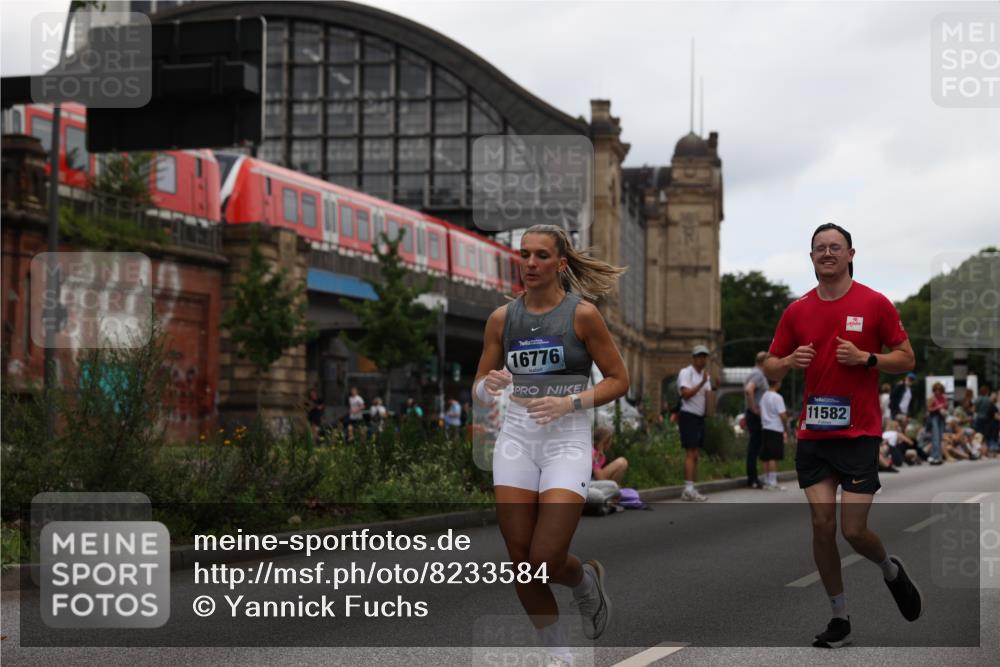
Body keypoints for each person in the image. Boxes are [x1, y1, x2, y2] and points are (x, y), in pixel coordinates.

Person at [473, 223, 628, 666]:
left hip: (566, 440)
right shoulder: (502, 319)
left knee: (545, 557)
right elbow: (479, 390)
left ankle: (585, 584)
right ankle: (558, 655)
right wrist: (493, 384)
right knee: (523, 564)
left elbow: (620, 379)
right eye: (524, 255)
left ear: (560, 263)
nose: (530, 264)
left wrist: (570, 402)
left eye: (541, 255)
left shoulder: (582, 315)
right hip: (518, 439)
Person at [763, 222, 922, 649]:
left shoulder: (875, 304)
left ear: (851, 254)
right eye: (820, 248)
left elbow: (906, 359)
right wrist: (788, 361)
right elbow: (769, 365)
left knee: (853, 530)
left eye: (836, 247)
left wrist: (867, 358)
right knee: (821, 524)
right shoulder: (797, 311)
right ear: (811, 257)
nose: (827, 253)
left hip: (859, 433)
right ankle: (839, 617)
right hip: (815, 433)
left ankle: (890, 568)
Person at [677, 345, 716, 501]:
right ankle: (687, 488)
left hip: (699, 417)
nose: (702, 359)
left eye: (704, 356)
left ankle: (691, 486)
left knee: (696, 454)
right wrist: (701, 383)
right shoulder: (686, 373)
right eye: (699, 356)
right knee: (690, 453)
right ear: (693, 358)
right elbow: (685, 394)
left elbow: (707, 396)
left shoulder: (705, 376)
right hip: (688, 415)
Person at [744, 351, 769, 489]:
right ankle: (752, 479)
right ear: (763, 362)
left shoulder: (753, 372)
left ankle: (753, 477)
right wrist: (754, 408)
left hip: (753, 415)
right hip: (755, 416)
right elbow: (749, 390)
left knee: (754, 447)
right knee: (754, 448)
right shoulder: (758, 374)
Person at [758, 377, 789, 490]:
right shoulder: (777, 397)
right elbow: (783, 415)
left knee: (766, 456)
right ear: (778, 382)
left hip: (765, 428)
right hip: (775, 428)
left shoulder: (764, 396)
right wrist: (786, 427)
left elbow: (760, 411)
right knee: (773, 456)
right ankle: (773, 481)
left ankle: (766, 480)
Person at [926, 382, 948, 465]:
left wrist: (945, 406)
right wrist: (937, 407)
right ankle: (935, 456)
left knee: (939, 437)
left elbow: (946, 407)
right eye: (936, 390)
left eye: (939, 390)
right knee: (935, 437)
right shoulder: (932, 398)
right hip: (934, 417)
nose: (937, 391)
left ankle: (938, 456)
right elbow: (929, 409)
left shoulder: (944, 398)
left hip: (941, 418)